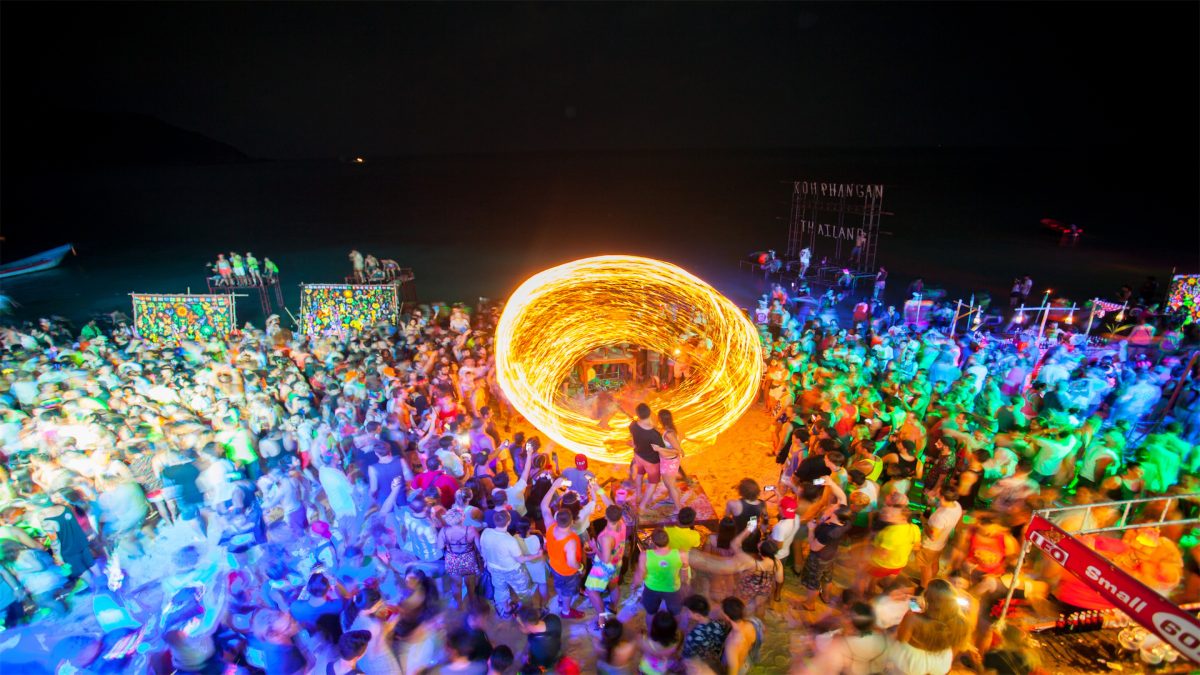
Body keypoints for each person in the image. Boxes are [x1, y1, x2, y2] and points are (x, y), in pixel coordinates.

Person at [885, 579, 969, 675]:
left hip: (912, 663)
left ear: (928, 598)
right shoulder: (961, 622)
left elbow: (902, 639)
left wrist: (913, 604)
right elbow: (956, 648)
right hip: (941, 662)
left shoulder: (913, 618)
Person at [797, 602, 888, 675]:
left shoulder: (840, 647)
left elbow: (825, 663)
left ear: (852, 626)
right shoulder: (844, 634)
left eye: (848, 615)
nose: (844, 612)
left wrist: (805, 650)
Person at [585, 505, 627, 627]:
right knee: (613, 584)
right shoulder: (622, 524)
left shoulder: (606, 537)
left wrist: (594, 547)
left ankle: (602, 618)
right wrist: (601, 491)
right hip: (617, 562)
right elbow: (611, 504)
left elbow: (605, 559)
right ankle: (613, 606)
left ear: (605, 516)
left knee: (591, 590)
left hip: (605, 566)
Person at [633, 528, 688, 620]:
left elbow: (641, 574)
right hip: (673, 588)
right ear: (668, 540)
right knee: (676, 614)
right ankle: (675, 633)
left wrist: (634, 585)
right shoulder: (681, 554)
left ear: (653, 542)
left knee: (650, 614)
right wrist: (685, 584)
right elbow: (685, 572)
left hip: (651, 588)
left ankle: (651, 633)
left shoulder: (645, 555)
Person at [917, 486, 964, 588]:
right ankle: (931, 581)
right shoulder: (956, 505)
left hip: (929, 546)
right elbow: (938, 504)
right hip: (941, 543)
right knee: (934, 562)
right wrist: (931, 499)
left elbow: (933, 536)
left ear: (942, 497)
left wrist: (924, 522)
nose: (936, 493)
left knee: (925, 567)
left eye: (938, 493)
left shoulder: (941, 517)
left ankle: (924, 587)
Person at [629, 403, 665, 509]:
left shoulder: (633, 425)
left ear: (637, 414)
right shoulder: (654, 435)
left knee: (640, 475)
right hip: (651, 462)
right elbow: (661, 449)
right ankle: (643, 505)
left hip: (638, 455)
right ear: (650, 413)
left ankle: (639, 496)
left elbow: (634, 437)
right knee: (653, 483)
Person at [639, 610, 680, 675]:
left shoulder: (647, 643)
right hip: (661, 669)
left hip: (646, 667)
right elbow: (672, 654)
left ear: (654, 629)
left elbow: (642, 649)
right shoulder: (675, 642)